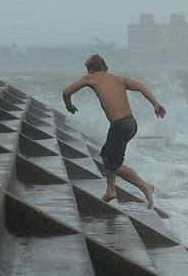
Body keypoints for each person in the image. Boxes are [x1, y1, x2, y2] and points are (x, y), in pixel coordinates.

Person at [62, 54, 166, 209]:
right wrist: (156, 104)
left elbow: (66, 92)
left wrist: (69, 106)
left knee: (112, 163)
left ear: (91, 69)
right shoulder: (119, 79)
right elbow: (141, 87)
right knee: (109, 156)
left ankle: (145, 187)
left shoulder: (91, 78)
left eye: (88, 70)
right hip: (131, 123)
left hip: (119, 126)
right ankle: (111, 190)